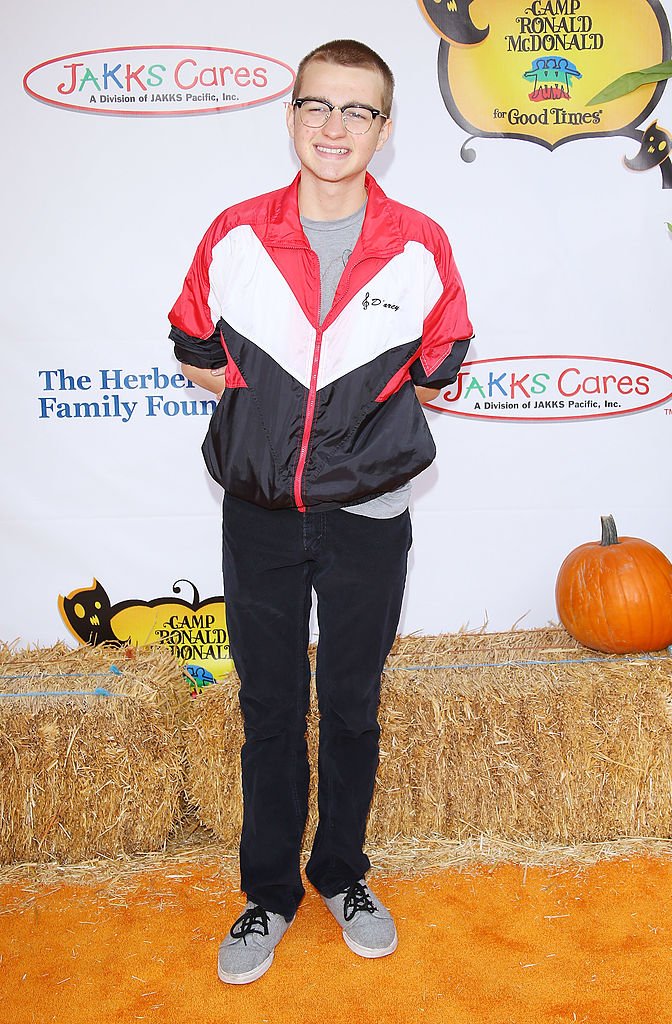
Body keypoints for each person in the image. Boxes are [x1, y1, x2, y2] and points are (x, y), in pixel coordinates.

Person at [168, 38, 473, 985]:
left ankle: (341, 873)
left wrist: (350, 435)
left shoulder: (420, 242)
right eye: (319, 107)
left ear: (385, 130)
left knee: (348, 705)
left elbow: (443, 358)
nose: (335, 128)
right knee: (268, 710)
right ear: (291, 114)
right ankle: (267, 896)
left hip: (370, 513)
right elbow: (191, 339)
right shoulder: (234, 233)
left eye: (359, 112)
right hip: (257, 514)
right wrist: (259, 415)